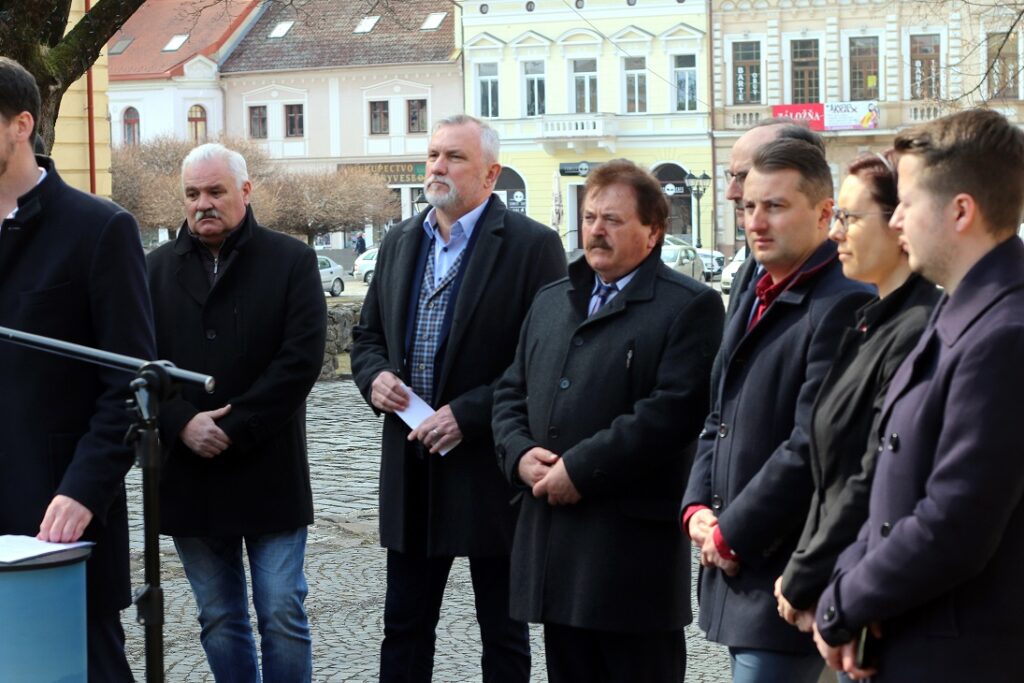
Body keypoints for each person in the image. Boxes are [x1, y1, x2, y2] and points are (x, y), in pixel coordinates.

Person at [350, 114, 565, 683]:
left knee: (503, 631)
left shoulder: (532, 246)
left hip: (490, 466)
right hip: (411, 465)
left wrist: (467, 414)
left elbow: (542, 358)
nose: (438, 167)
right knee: (404, 627)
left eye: (454, 157)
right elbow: (367, 337)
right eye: (433, 155)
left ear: (491, 174)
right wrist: (374, 378)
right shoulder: (401, 240)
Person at [491, 159, 724, 682]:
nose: (596, 230)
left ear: (653, 231)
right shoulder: (552, 300)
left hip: (630, 562)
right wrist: (518, 454)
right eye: (590, 217)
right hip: (556, 552)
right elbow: (510, 389)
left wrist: (579, 469)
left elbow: (672, 412)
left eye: (613, 220)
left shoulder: (690, 306)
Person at [814, 109, 1024, 682]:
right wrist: (851, 588)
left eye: (907, 202)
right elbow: (891, 475)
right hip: (911, 640)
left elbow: (955, 521)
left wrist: (843, 605)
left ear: (960, 211)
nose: (897, 218)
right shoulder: (959, 307)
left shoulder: (1004, 333)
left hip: (960, 658)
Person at [681, 137, 873, 682]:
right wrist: (696, 507)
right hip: (737, 569)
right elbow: (718, 412)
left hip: (790, 574)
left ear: (824, 212)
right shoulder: (756, 286)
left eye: (775, 206)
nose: (756, 222)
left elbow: (813, 443)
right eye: (749, 207)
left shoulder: (843, 300)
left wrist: (731, 532)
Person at [0, 56, 156, 680]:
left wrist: (83, 490)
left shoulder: (99, 229)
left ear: (21, 125)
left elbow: (130, 384)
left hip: (57, 517)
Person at [147, 143, 326, 682]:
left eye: (215, 191)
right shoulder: (153, 270)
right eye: (192, 193)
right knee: (219, 617)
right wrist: (181, 422)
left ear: (245, 192)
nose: (203, 203)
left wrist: (234, 424)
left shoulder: (291, 260)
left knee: (281, 611)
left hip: (269, 468)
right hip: (189, 475)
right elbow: (138, 363)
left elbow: (300, 360)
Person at [773, 150, 940, 632]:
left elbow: (871, 474)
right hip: (833, 575)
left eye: (849, 218)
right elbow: (829, 473)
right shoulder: (870, 321)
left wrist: (804, 574)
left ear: (898, 223)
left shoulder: (916, 328)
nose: (835, 233)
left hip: (864, 587)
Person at [723, 120, 827, 319]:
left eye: (745, 176)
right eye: (732, 176)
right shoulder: (749, 270)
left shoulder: (843, 293)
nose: (731, 193)